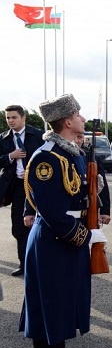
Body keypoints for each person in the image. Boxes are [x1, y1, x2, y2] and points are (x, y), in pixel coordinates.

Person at [20, 93, 107, 348]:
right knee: (48, 304)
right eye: (79, 115)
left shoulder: (72, 153)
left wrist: (93, 218)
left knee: (64, 300)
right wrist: (84, 236)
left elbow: (80, 196)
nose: (83, 119)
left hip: (67, 238)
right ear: (68, 122)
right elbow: (53, 211)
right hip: (53, 241)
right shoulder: (47, 157)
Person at [1, 105, 43, 277]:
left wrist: (33, 171)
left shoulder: (39, 135)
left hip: (38, 186)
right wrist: (11, 156)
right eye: (8, 118)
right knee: (19, 227)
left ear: (23, 118)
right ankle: (24, 263)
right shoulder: (3, 139)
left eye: (14, 117)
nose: (11, 121)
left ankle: (41, 262)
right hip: (17, 187)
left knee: (41, 225)